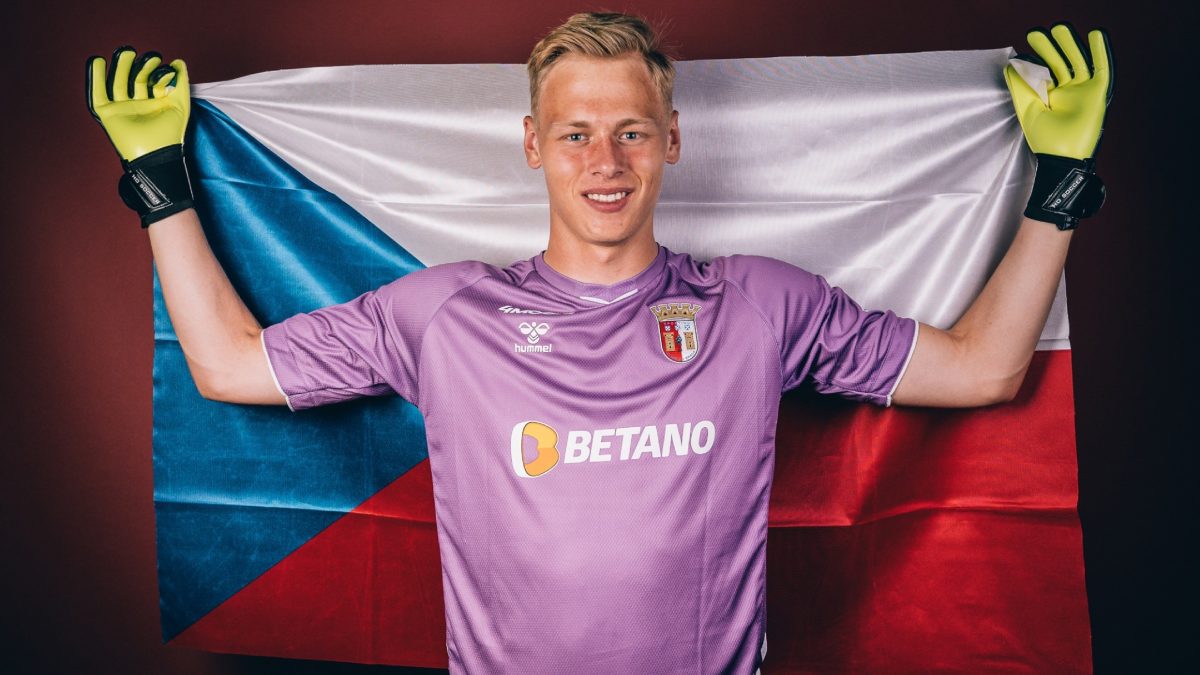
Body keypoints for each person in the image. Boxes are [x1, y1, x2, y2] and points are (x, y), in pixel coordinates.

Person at [86, 12, 1112, 675]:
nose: (604, 160)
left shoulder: (761, 303)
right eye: (575, 132)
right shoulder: (443, 312)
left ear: (672, 139)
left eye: (630, 129)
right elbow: (226, 365)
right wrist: (161, 183)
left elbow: (985, 369)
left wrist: (1059, 183)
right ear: (535, 146)